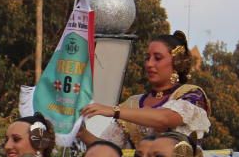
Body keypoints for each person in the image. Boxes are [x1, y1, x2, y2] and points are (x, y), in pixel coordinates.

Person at [79, 31, 211, 150]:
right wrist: (82, 133)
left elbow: (164, 119)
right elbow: (109, 150)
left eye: (157, 58)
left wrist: (113, 111)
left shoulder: (191, 95)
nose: (149, 64)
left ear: (176, 62)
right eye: (148, 58)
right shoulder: (132, 103)